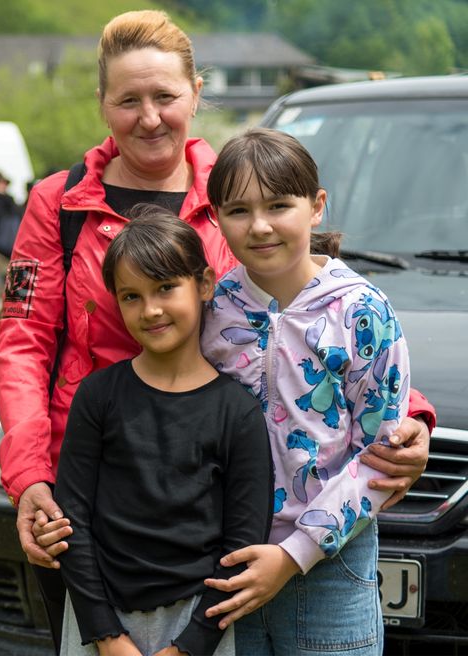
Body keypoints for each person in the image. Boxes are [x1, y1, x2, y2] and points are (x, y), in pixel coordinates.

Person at [0, 9, 436, 652]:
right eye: (128, 100)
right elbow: (23, 341)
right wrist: (29, 475)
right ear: (102, 104)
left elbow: (312, 315)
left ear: (197, 94)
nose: (149, 117)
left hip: (212, 496)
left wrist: (408, 415)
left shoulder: (238, 191)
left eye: (166, 96)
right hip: (93, 492)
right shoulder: (57, 205)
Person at [196, 128, 409, 654]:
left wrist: (295, 554)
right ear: (216, 217)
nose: (260, 225)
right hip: (228, 564)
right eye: (239, 210)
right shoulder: (212, 312)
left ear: (316, 207)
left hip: (332, 571)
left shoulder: (362, 312)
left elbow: (382, 456)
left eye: (278, 205)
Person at [55, 205, 273, 656]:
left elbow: (243, 542)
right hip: (99, 624)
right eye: (131, 296)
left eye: (166, 288)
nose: (150, 309)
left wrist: (189, 646)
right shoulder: (98, 397)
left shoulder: (239, 413)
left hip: (200, 626)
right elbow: (71, 517)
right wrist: (108, 637)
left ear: (205, 285)